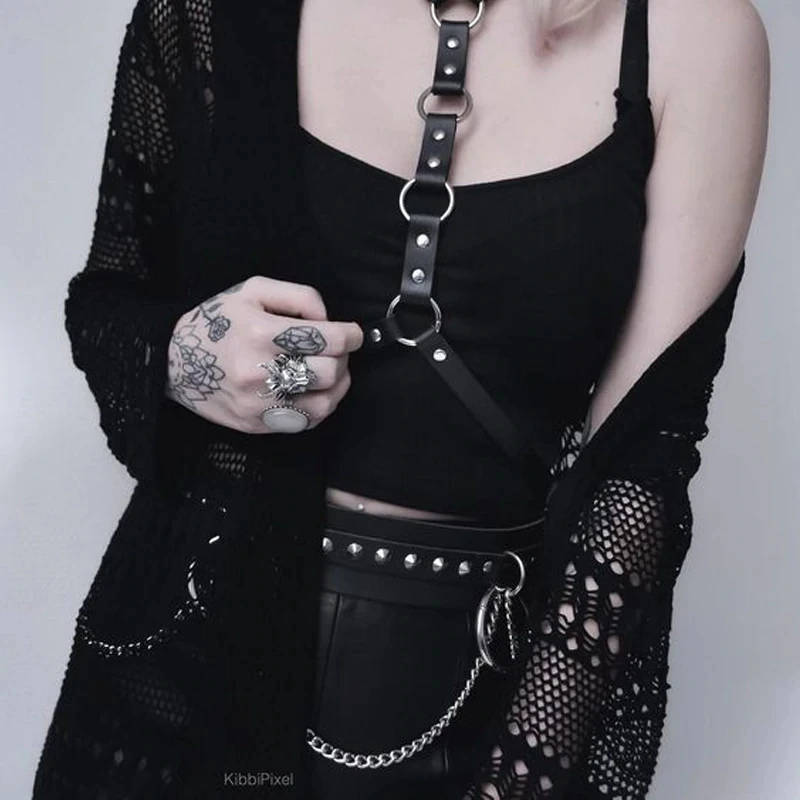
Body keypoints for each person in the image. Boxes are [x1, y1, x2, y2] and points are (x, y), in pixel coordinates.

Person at [33, 0, 768, 798]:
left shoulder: (696, 36)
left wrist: (525, 773)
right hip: (173, 675)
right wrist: (193, 358)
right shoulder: (211, 10)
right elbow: (108, 306)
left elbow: (638, 468)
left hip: (467, 711)